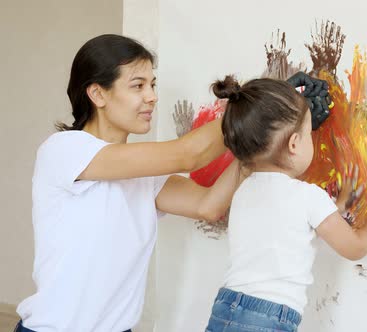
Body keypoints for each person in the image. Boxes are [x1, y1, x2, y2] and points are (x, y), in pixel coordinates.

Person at [15, 34, 331, 332]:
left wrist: (264, 136)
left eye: (152, 84)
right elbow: (188, 155)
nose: (151, 97)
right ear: (97, 93)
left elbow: (209, 206)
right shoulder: (65, 151)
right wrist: (262, 107)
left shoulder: (144, 176)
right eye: (137, 86)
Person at [204, 76, 367, 332]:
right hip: (268, 319)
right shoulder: (307, 196)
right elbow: (356, 247)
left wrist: (337, 205)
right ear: (294, 144)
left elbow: (286, 226)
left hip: (225, 307)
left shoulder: (244, 189)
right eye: (308, 134)